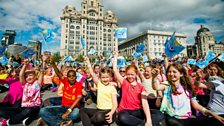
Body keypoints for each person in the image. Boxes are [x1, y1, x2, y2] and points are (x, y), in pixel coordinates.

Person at [152, 63, 224, 126]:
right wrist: (154, 77)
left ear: (181, 74)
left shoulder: (187, 88)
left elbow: (196, 105)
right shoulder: (167, 85)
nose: (171, 74)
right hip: (172, 119)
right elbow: (156, 87)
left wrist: (213, 114)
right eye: (169, 72)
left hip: (187, 119)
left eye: (174, 72)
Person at [0, 56, 47, 126]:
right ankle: (23, 118)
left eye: (30, 75)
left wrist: (44, 62)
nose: (28, 77)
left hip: (34, 108)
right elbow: (21, 75)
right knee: (1, 111)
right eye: (27, 76)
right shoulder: (24, 84)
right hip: (23, 107)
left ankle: (8, 122)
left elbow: (42, 72)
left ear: (35, 76)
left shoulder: (37, 84)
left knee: (29, 110)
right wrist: (25, 64)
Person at [112, 51, 154, 126]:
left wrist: (149, 120)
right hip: (125, 111)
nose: (130, 76)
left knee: (158, 114)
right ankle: (142, 124)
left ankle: (143, 123)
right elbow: (115, 70)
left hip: (137, 111)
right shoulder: (124, 82)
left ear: (136, 74)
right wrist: (115, 57)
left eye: (132, 74)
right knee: (122, 117)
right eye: (128, 74)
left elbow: (145, 103)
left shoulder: (141, 87)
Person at [38, 57, 82, 126]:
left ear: (76, 77)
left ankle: (50, 121)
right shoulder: (66, 81)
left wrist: (68, 111)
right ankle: (61, 123)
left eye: (73, 76)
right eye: (69, 76)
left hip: (73, 108)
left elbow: (79, 98)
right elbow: (58, 73)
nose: (71, 78)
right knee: (42, 111)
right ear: (67, 77)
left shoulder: (78, 85)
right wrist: (53, 64)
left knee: (76, 114)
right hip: (63, 107)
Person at [79, 57, 118, 126]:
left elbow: (115, 104)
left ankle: (90, 122)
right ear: (100, 78)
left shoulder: (112, 88)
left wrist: (111, 113)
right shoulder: (99, 84)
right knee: (82, 110)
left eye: (107, 77)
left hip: (109, 112)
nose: (105, 79)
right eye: (103, 77)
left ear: (111, 78)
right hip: (99, 110)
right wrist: (88, 62)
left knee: (99, 116)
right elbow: (93, 74)